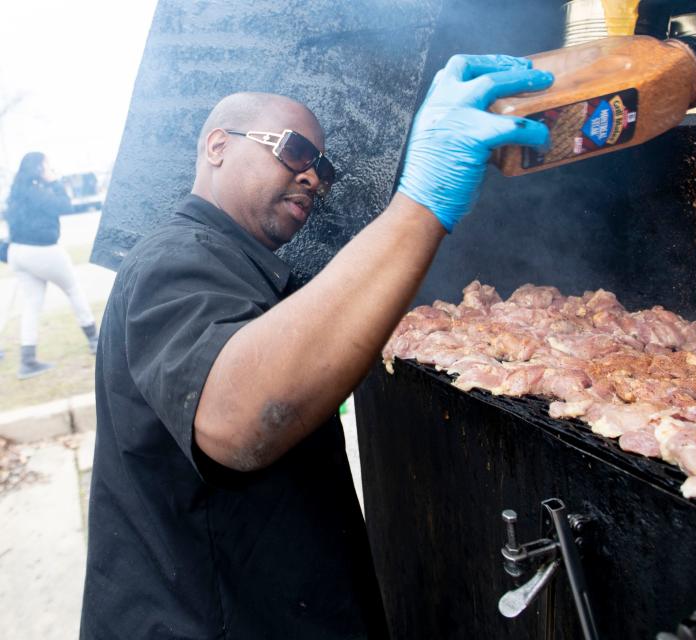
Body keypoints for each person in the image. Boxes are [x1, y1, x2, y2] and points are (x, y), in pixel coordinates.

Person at [79, 54, 553, 639]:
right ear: (218, 146)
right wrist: (421, 203)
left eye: (323, 169)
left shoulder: (240, 268)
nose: (313, 177)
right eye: (296, 151)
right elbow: (240, 418)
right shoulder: (174, 258)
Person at [4, 152, 99, 379]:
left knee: (31, 304)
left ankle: (27, 361)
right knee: (73, 289)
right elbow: (65, 206)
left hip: (16, 252)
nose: (51, 169)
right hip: (43, 250)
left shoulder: (16, 193)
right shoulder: (38, 191)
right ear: (39, 169)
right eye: (47, 166)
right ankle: (94, 340)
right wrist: (55, 181)